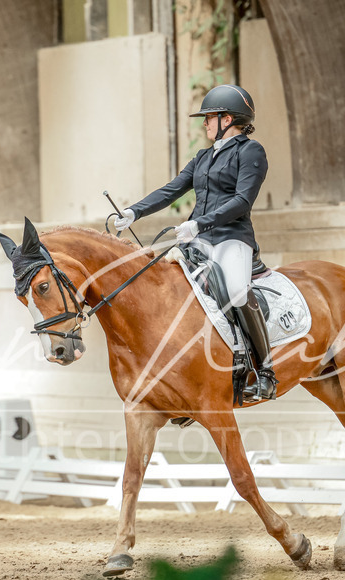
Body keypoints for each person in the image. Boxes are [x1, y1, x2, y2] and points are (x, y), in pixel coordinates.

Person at [113, 84, 275, 401]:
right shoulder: (203, 157)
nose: (204, 124)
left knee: (238, 293)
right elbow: (173, 189)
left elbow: (243, 200)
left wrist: (200, 222)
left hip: (231, 239)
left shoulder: (250, 152)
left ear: (227, 119)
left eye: (209, 118)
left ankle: (265, 370)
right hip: (197, 241)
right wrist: (135, 211)